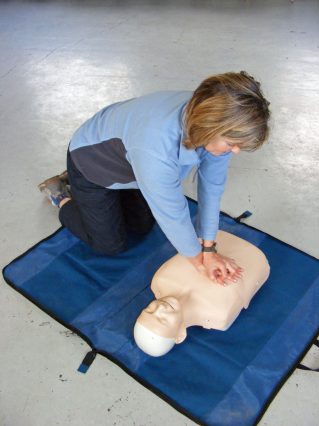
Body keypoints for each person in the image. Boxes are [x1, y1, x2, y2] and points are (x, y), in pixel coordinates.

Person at [38, 71, 270, 284]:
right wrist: (199, 261)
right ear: (210, 128)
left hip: (129, 163)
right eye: (232, 144)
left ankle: (87, 188)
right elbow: (172, 211)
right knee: (110, 244)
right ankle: (61, 194)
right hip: (91, 163)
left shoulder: (215, 115)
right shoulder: (155, 144)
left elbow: (212, 187)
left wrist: (209, 247)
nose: (236, 150)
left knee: (142, 225)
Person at [134, 230, 270, 357]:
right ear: (180, 335)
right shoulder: (219, 313)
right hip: (255, 255)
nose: (160, 308)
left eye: (149, 310)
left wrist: (207, 253)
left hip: (212, 235)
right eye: (163, 320)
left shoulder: (159, 280)